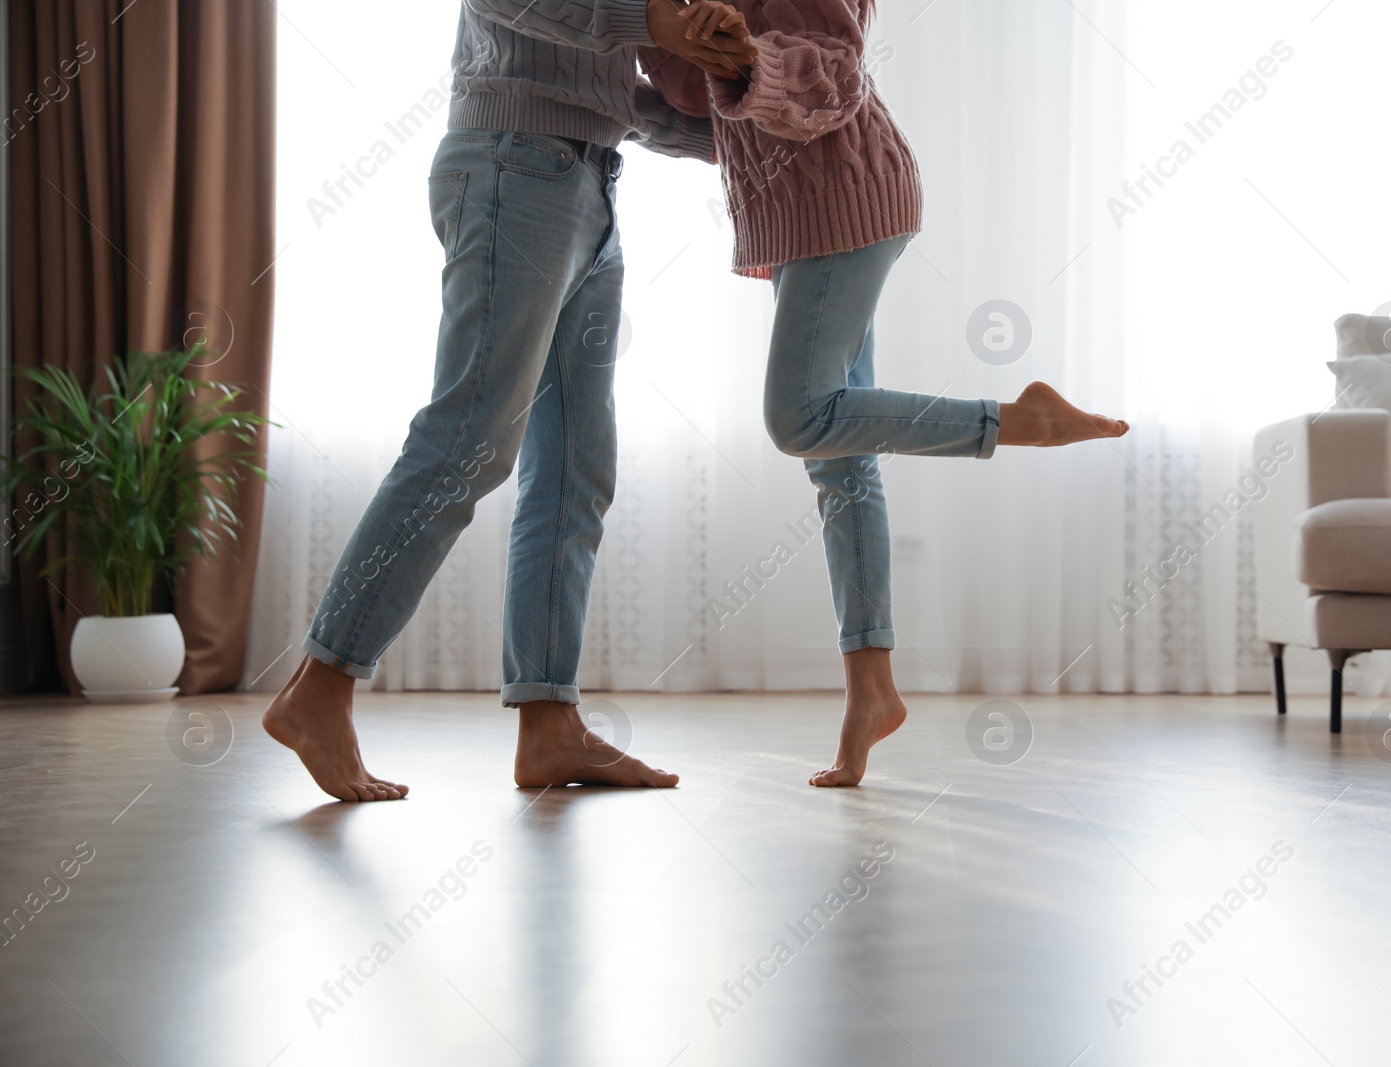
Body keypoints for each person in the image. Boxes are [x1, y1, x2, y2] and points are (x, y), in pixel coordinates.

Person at [263, 0, 757, 802]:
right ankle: (319, 687)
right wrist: (652, 22)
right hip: (513, 168)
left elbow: (605, 92)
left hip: (587, 180)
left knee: (574, 468)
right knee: (466, 443)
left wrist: (734, 112)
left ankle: (548, 721)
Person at [640, 0, 1129, 786]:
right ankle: (873, 694)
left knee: (800, 418)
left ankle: (1020, 421)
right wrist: (642, 91)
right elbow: (707, 107)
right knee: (839, 454)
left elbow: (832, 73)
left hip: (845, 201)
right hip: (804, 219)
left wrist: (747, 60)